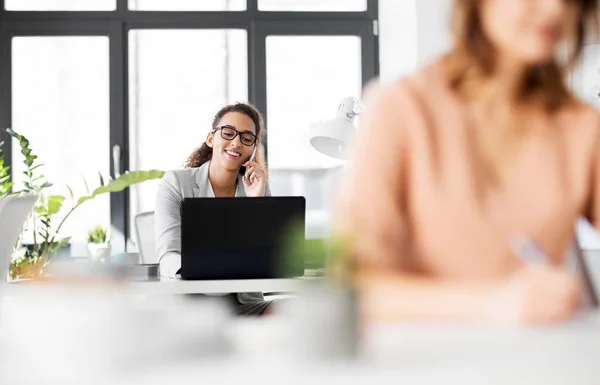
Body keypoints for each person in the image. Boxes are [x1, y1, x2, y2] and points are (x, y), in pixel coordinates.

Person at [335, 0, 599, 326]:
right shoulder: (401, 109)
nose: (554, 8)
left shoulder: (582, 127)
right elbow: (347, 291)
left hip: (538, 368)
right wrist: (492, 304)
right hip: (420, 367)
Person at [155, 102, 274, 316]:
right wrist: (203, 268)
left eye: (247, 138)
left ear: (253, 149)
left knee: (295, 310)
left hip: (242, 306)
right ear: (211, 139)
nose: (236, 142)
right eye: (228, 133)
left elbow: (266, 260)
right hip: (190, 307)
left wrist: (255, 202)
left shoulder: (258, 188)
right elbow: (167, 256)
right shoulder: (176, 183)